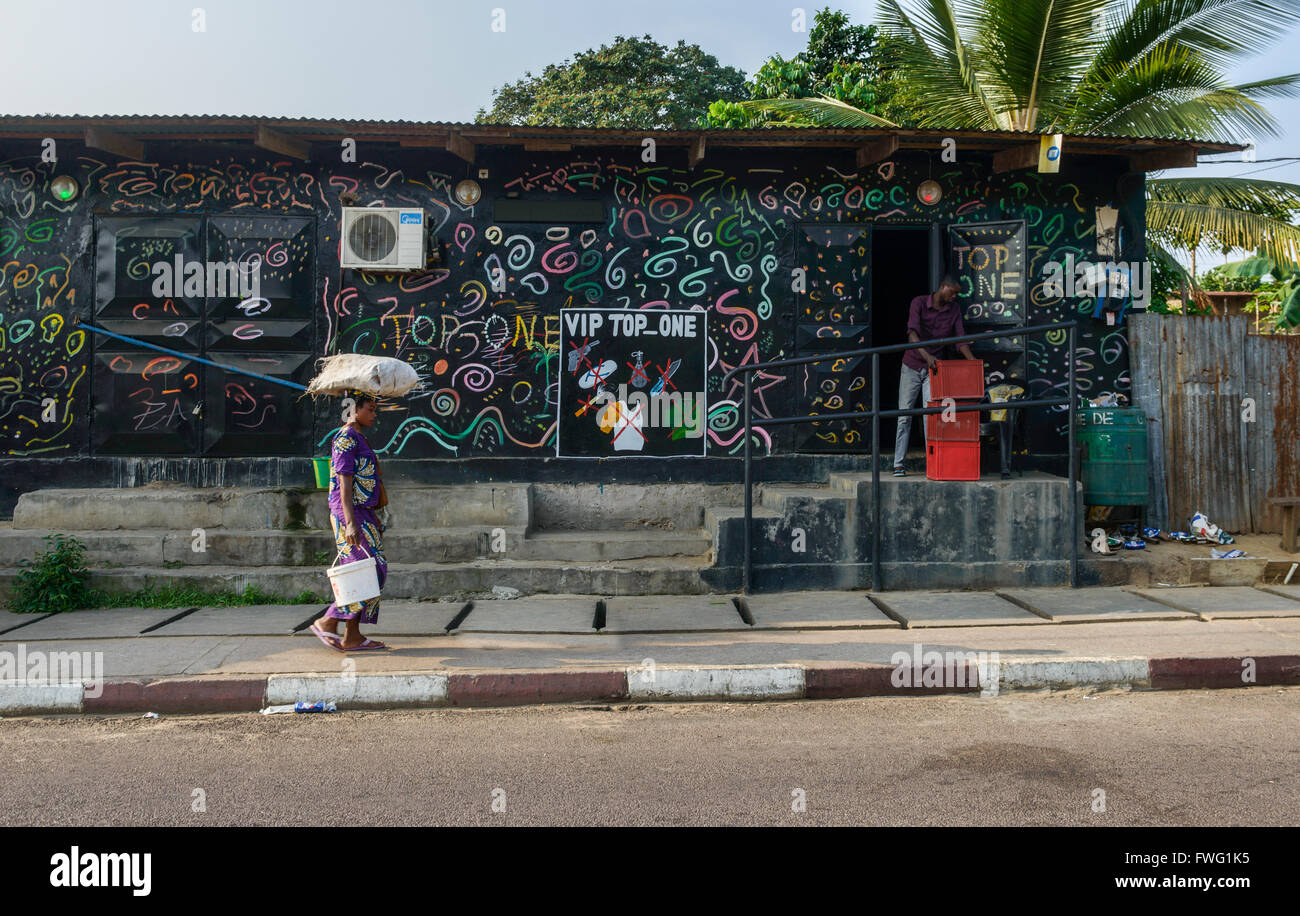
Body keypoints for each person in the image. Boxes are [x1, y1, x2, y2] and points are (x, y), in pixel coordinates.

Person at [310, 392, 389, 651]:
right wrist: (351, 522)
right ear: (355, 410)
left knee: (368, 570)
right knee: (368, 570)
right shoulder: (344, 438)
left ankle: (352, 636)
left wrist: (371, 516)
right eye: (371, 409)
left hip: (362, 512)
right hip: (349, 513)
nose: (375, 414)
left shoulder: (358, 437)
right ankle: (329, 620)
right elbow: (344, 483)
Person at [893, 275, 979, 476]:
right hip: (912, 365)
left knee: (930, 417)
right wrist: (927, 354)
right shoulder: (919, 302)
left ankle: (932, 462)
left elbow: (961, 340)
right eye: (953, 292)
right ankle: (898, 464)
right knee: (904, 415)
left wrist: (973, 364)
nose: (955, 297)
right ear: (943, 286)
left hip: (935, 369)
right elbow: (911, 334)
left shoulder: (954, 310)